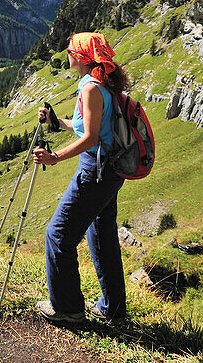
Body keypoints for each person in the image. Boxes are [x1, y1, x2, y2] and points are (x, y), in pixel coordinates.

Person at [32, 31, 130, 323]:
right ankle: (113, 310)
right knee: (101, 236)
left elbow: (89, 137)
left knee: (58, 234)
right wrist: (54, 121)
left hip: (96, 169)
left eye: (72, 49)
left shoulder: (89, 88)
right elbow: (89, 127)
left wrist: (54, 157)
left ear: (83, 57)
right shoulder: (104, 83)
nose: (68, 53)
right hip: (110, 168)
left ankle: (67, 308)